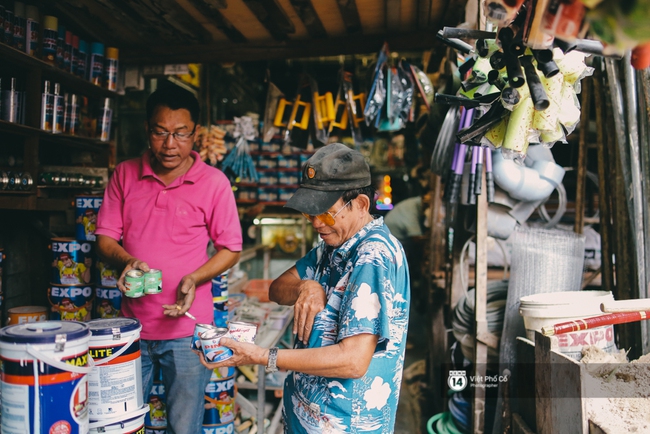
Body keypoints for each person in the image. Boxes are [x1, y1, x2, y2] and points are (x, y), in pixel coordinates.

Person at [198, 143, 410, 433]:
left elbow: (352, 361)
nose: (315, 223)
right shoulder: (334, 246)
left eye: (325, 214)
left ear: (360, 204)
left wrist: (263, 356)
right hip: (306, 416)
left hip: (343, 425)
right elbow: (278, 288)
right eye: (310, 214)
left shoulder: (373, 255)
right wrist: (306, 287)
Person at [95, 84, 242, 434]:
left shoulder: (214, 183)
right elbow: (104, 237)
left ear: (196, 134)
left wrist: (194, 278)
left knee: (183, 425)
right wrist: (127, 261)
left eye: (180, 133)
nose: (170, 144)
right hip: (132, 327)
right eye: (161, 132)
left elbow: (230, 248)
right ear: (148, 130)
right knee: (121, 422)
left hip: (188, 329)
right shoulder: (125, 174)